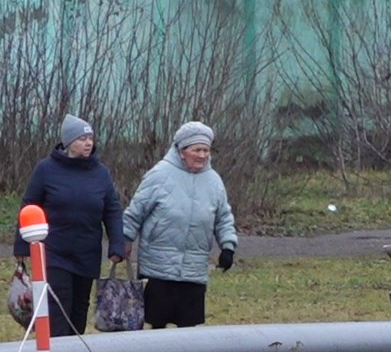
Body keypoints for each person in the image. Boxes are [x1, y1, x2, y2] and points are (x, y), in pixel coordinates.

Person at [11, 114, 126, 337]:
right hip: (55, 253)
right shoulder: (46, 169)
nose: (88, 143)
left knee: (79, 309)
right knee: (59, 305)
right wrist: (21, 246)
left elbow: (112, 210)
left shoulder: (100, 173)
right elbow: (29, 206)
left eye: (90, 138)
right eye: (82, 138)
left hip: (87, 253)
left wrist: (117, 245)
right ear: (69, 142)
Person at [124, 121, 237, 329]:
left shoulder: (214, 181)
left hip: (194, 270)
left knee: (188, 330)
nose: (202, 155)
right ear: (182, 151)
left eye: (206, 150)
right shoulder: (159, 175)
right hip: (158, 269)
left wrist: (228, 246)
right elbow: (135, 211)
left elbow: (223, 217)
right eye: (197, 150)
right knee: (155, 326)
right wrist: (124, 239)